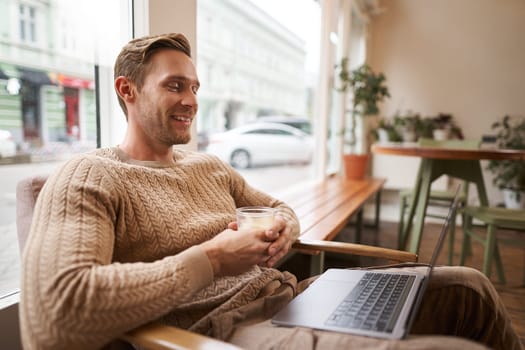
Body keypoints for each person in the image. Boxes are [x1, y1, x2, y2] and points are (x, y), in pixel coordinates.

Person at [19, 33, 522, 350]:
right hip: (222, 332)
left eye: (195, 87)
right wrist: (213, 258)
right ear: (127, 91)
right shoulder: (90, 176)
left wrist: (287, 231)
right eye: (175, 86)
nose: (191, 100)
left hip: (295, 298)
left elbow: (279, 207)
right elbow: (58, 314)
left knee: (470, 288)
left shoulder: (208, 166)